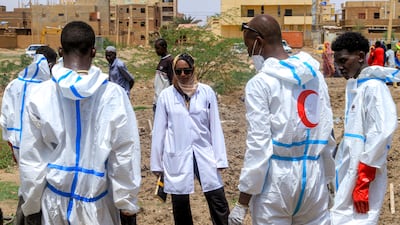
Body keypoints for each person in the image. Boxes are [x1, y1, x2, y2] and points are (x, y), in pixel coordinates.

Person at [18, 21, 141, 224]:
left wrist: (32, 206)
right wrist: (126, 204)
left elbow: (32, 158)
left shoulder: (39, 94)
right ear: (93, 52)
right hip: (98, 209)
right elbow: (125, 153)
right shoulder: (113, 95)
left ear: (60, 50)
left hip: (53, 207)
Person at [228, 14, 336, 225]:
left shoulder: (260, 84)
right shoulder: (315, 75)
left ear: (258, 42)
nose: (250, 53)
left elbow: (259, 145)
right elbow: (327, 131)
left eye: (249, 47)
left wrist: (242, 202)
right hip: (313, 175)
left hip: (276, 182)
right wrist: (329, 179)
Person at [150, 53, 230, 225]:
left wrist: (220, 158)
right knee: (180, 204)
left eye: (187, 70)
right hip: (176, 154)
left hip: (204, 153)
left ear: (194, 70)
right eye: (178, 72)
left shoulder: (206, 92)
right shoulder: (166, 96)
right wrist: (156, 164)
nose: (183, 75)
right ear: (174, 72)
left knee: (218, 199)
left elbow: (215, 126)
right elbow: (159, 131)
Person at [330, 32, 398, 224]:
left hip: (362, 170)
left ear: (360, 56)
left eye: (343, 60)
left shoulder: (374, 88)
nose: (339, 67)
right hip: (350, 167)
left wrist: (363, 179)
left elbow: (382, 132)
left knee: (358, 219)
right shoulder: (358, 87)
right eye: (337, 62)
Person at [0, 46, 56, 225]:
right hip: (40, 148)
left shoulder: (13, 85)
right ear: (49, 64)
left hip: (18, 146)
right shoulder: (48, 88)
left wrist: (12, 146)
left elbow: (5, 120)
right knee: (39, 187)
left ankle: (22, 218)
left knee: (28, 183)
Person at [153, 38, 174, 113]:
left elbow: (173, 81)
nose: (156, 51)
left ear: (164, 47)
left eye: (158, 48)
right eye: (155, 48)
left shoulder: (170, 61)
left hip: (165, 101)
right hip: (157, 99)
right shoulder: (162, 60)